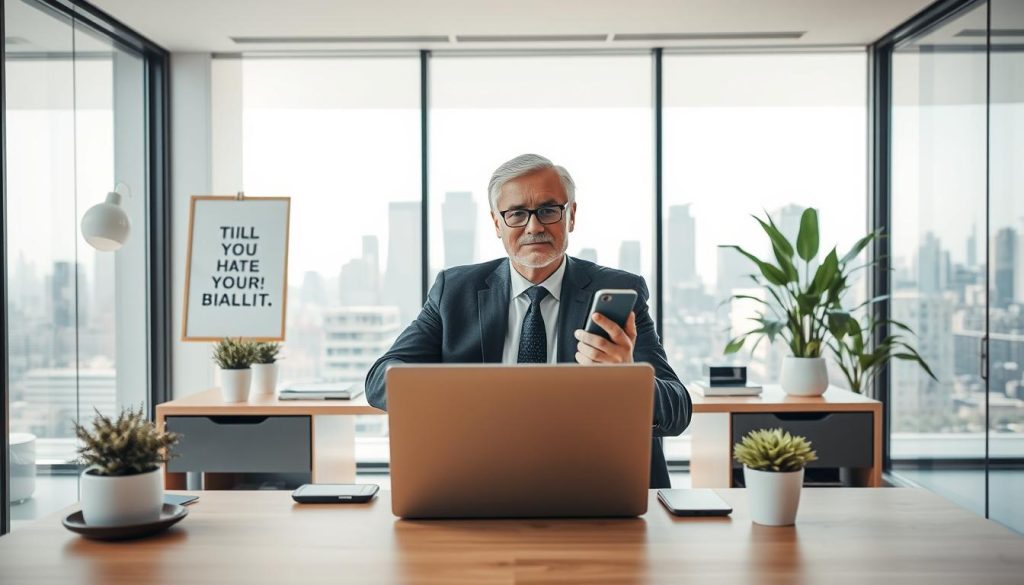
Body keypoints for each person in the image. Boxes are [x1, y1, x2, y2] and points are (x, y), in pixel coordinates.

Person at [365, 153, 691, 488]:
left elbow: (678, 410)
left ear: (571, 216)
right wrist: (460, 400)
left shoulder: (620, 290)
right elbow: (379, 381)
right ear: (497, 224)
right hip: (478, 478)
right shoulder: (454, 291)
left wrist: (628, 377)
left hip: (593, 482)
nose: (534, 227)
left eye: (549, 211)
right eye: (517, 214)